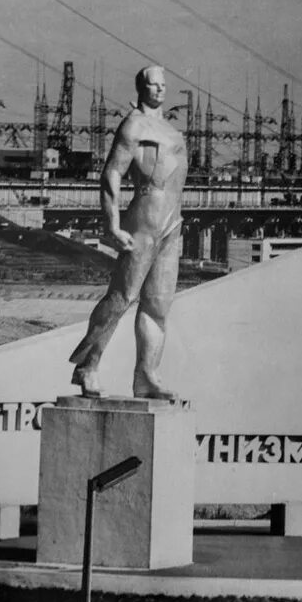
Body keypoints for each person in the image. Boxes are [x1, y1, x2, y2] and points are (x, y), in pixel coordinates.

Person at [69, 65, 187, 400]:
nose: (160, 90)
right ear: (141, 87)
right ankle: (87, 365)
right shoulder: (134, 124)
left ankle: (146, 376)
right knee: (122, 297)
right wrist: (112, 223)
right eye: (153, 85)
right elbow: (111, 174)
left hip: (171, 222)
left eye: (164, 84)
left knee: (158, 305)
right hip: (145, 218)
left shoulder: (168, 128)